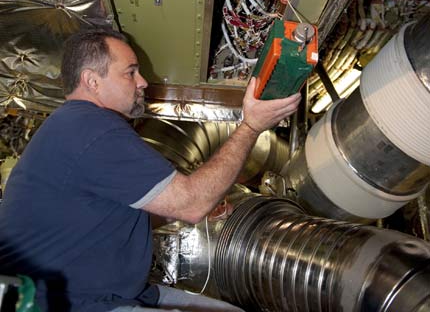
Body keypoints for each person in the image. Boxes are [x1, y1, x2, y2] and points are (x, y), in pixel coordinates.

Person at [0, 28, 301, 312]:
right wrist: (251, 126)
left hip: (111, 291)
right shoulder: (91, 128)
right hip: (70, 302)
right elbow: (192, 204)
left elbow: (116, 214)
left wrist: (172, 210)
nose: (143, 81)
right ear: (92, 81)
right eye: (130, 72)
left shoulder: (73, 125)